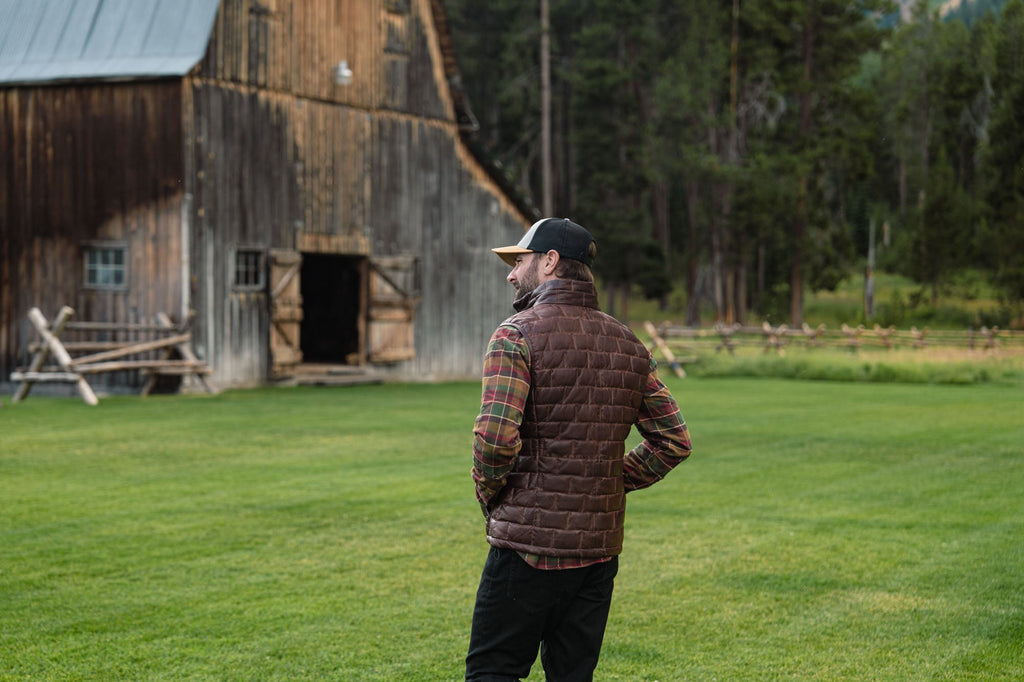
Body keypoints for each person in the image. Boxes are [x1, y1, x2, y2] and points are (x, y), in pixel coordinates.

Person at [466, 217, 692, 681]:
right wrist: (606, 483)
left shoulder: (515, 334)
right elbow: (673, 440)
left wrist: (492, 496)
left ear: (549, 262)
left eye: (520, 260)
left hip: (526, 547)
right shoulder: (628, 344)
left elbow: (494, 439)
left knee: (494, 672)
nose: (511, 273)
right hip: (597, 554)